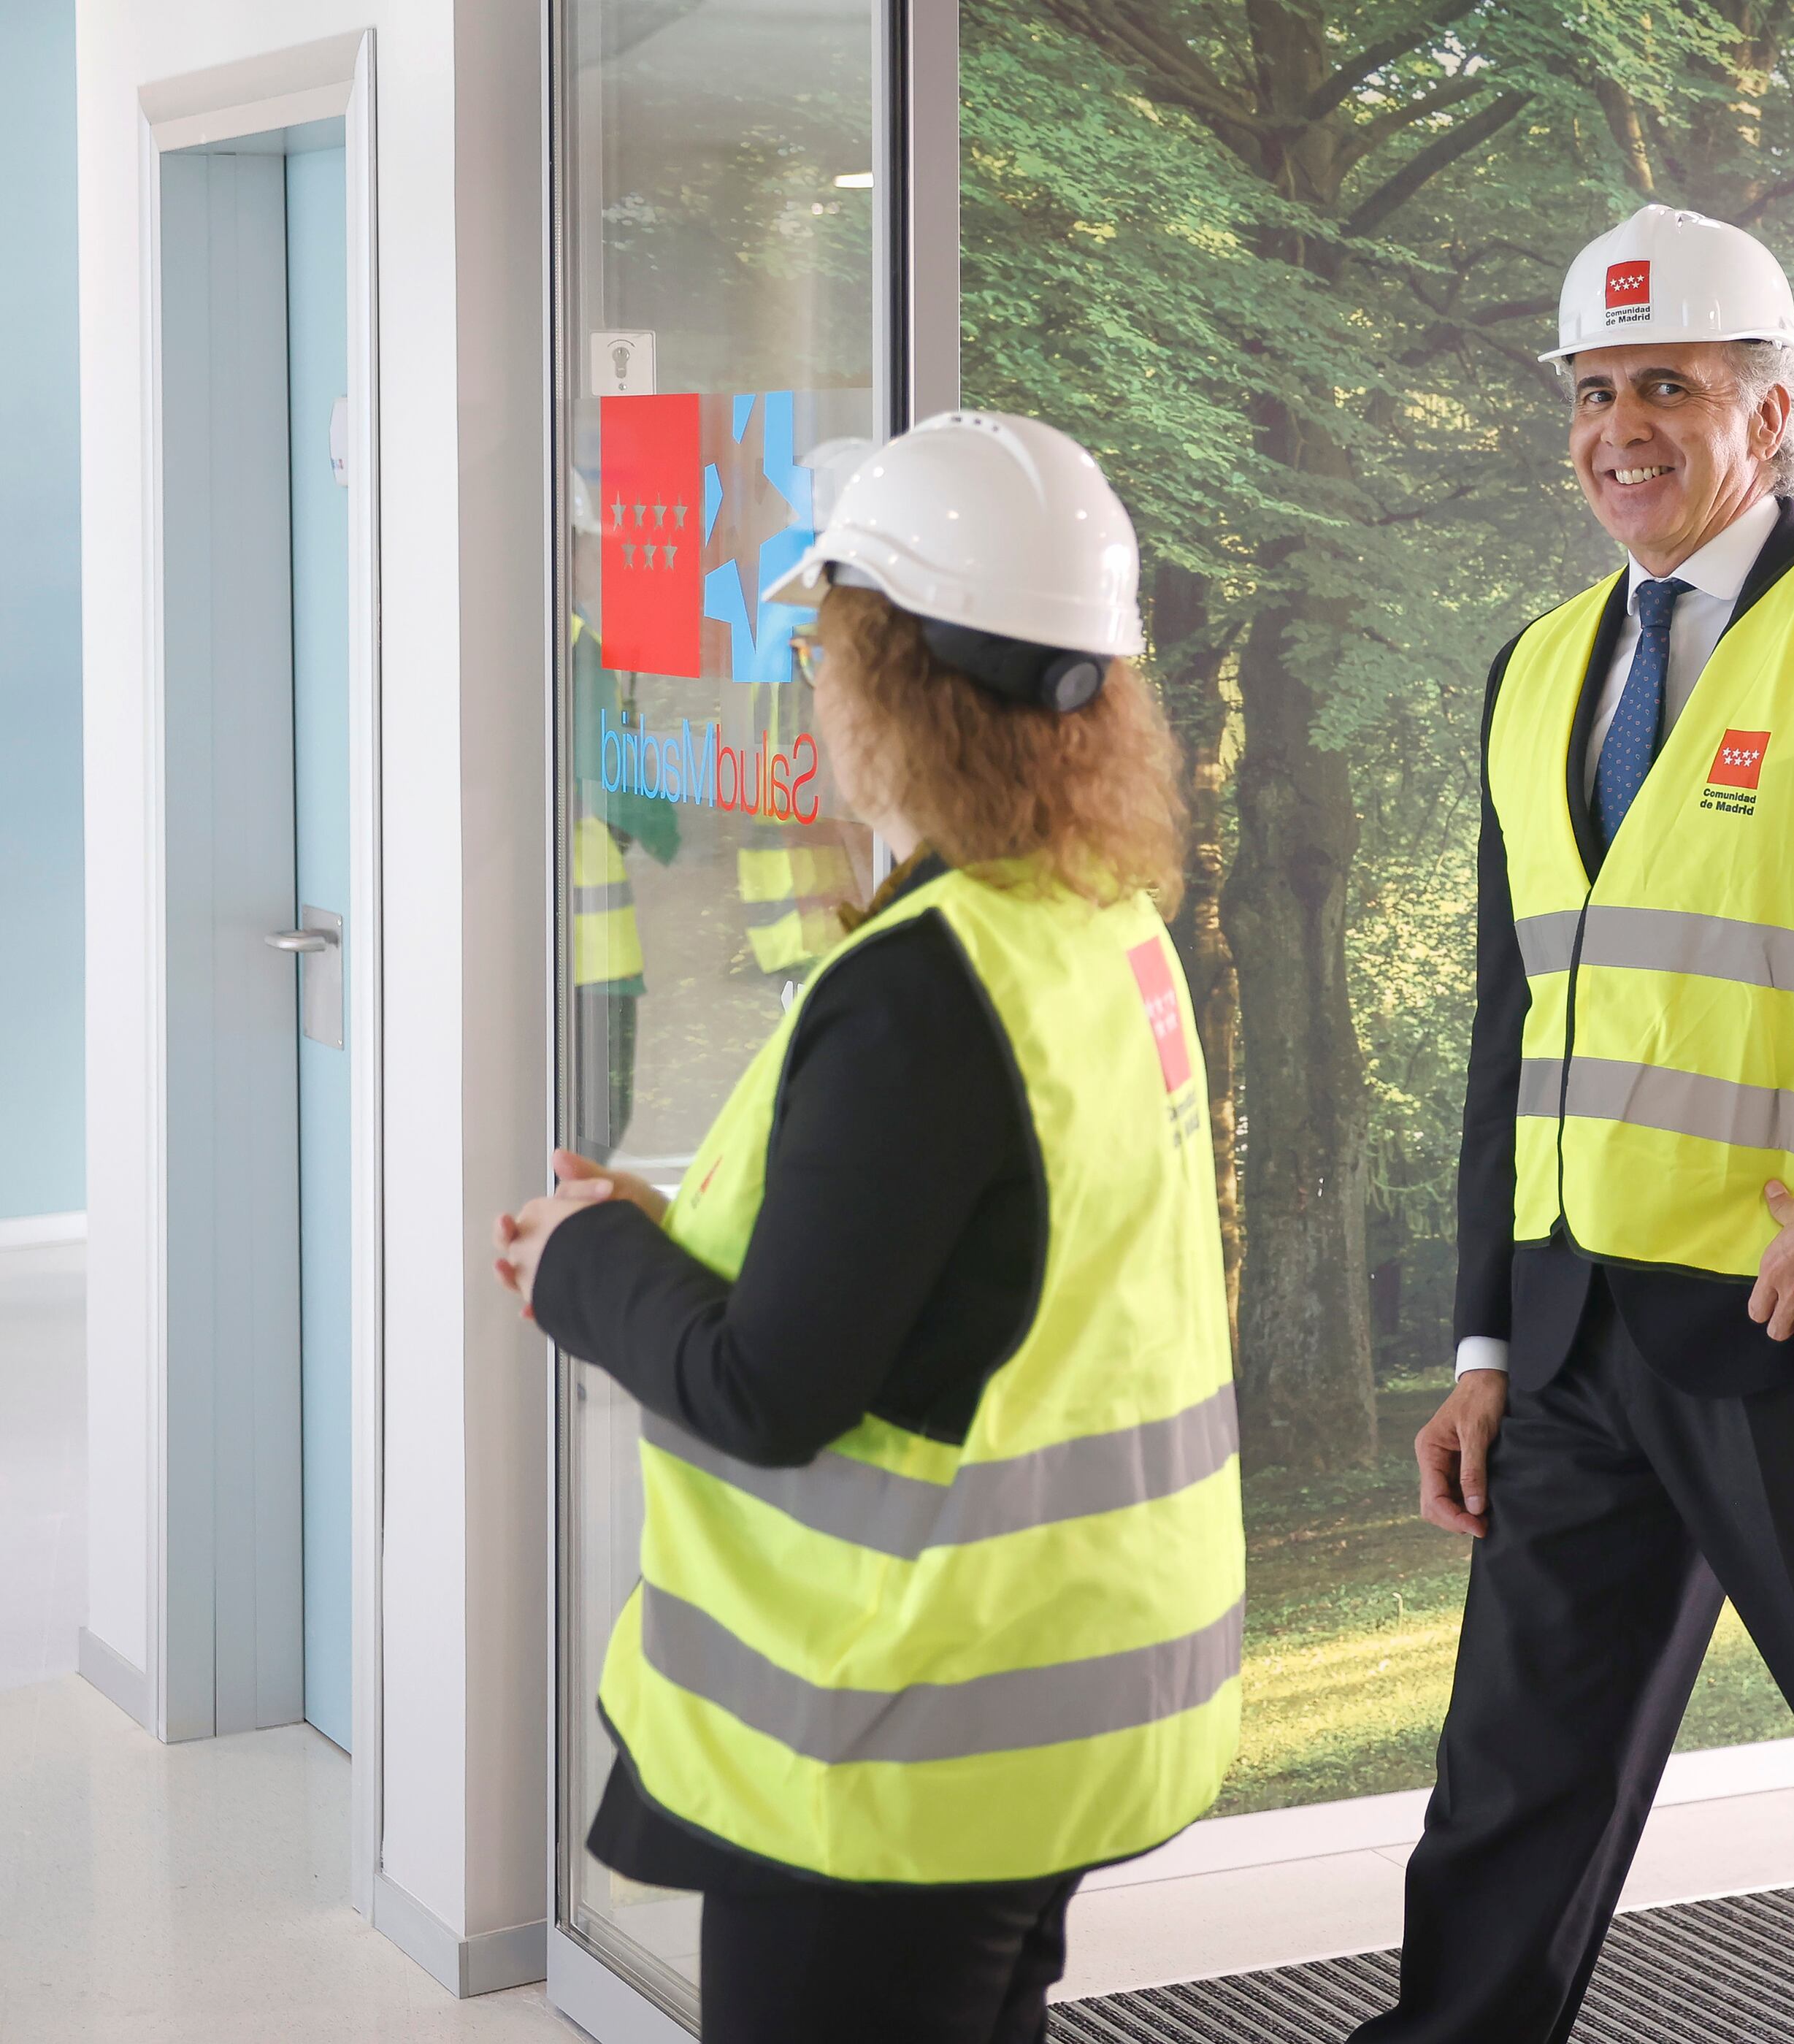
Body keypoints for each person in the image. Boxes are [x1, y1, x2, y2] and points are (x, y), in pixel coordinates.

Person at [1354, 206, 1794, 2044]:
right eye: (1592, 391)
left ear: (1771, 408)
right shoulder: (1538, 664)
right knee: (1508, 1799)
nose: (1619, 427)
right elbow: (1524, 1029)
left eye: (1667, 383)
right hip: (1580, 1340)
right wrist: (1486, 1336)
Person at [491, 410, 1244, 2044]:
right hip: (1075, 1689)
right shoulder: (1098, 929)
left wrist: (580, 1262)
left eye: (829, 650)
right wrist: (671, 1219)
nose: (815, 688)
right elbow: (970, 1261)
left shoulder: (923, 989)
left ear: (888, 682)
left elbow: (774, 1387)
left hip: (903, 1738)